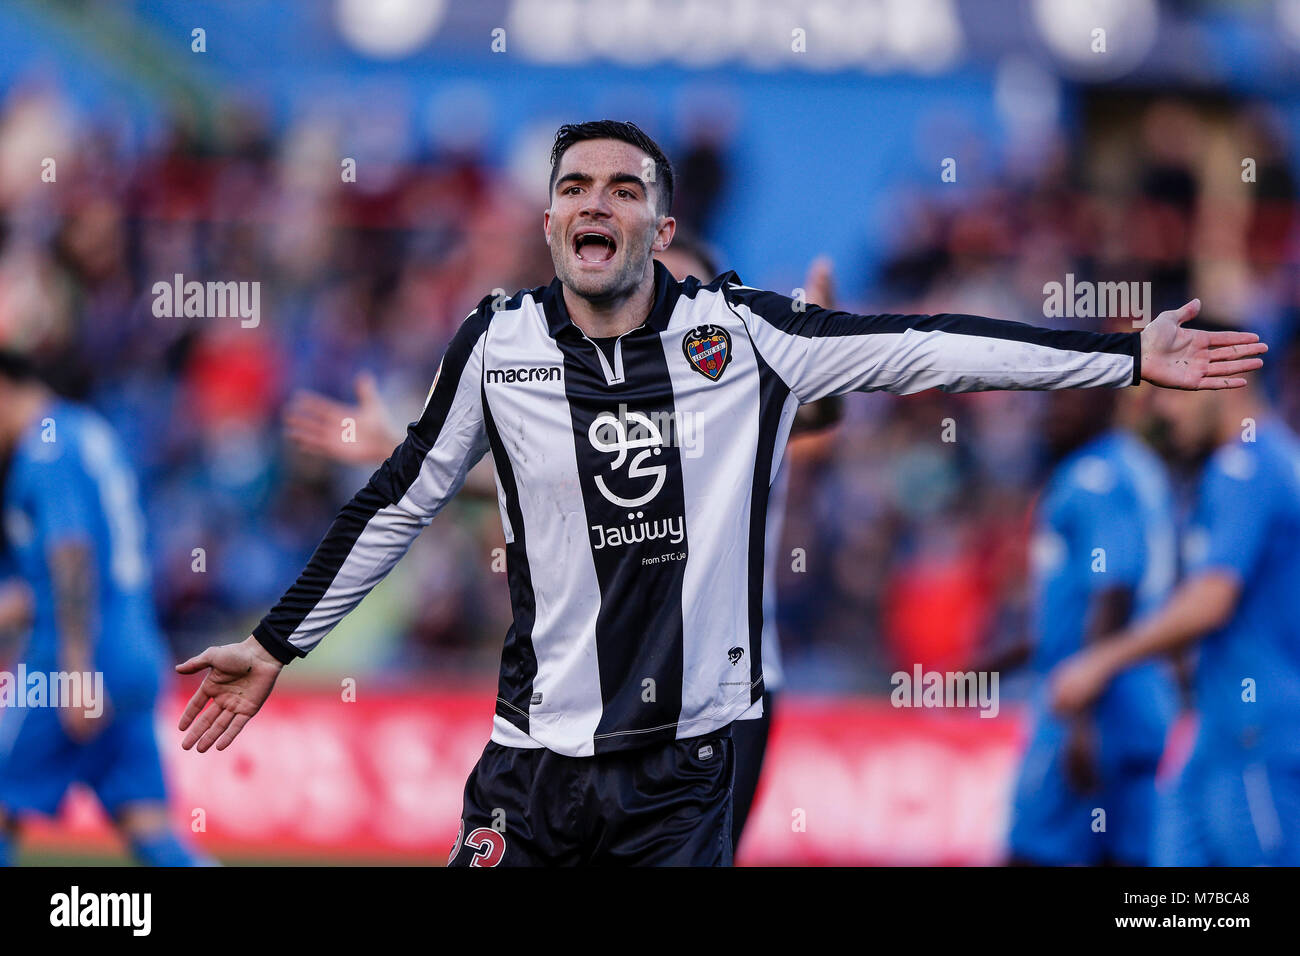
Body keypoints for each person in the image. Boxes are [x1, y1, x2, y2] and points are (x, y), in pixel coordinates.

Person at [178, 120, 1264, 866]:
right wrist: (277, 643)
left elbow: (930, 342)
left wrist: (1120, 355)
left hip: (681, 768)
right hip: (530, 759)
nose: (594, 203)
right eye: (572, 188)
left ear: (659, 227)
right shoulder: (496, 343)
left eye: (623, 188)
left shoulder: (741, 336)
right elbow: (404, 494)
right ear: (550, 223)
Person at [282, 230, 842, 855]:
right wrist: (423, 455)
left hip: (719, 698)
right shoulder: (599, 394)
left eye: (676, 286)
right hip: (589, 696)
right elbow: (522, 485)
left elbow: (816, 414)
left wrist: (821, 362)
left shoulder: (738, 379)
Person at [1051, 331, 1298, 865]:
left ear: (1230, 379)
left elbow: (1212, 600)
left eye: (1174, 388)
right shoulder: (1239, 468)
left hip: (1260, 738)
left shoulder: (1249, 467)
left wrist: (1100, 662)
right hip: (1216, 734)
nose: (1161, 406)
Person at [0, 350, 208, 866]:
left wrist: (75, 667)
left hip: (74, 656)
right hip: (133, 650)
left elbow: (71, 552)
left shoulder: (44, 448)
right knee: (147, 825)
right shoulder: (88, 433)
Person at [1006, 386, 1178, 865]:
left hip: (1082, 710)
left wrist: (1082, 716)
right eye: (1049, 399)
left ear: (1108, 400)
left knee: (1033, 852)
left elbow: (1115, 588)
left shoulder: (1092, 475)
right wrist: (990, 666)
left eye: (1068, 397)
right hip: (1140, 704)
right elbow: (1083, 605)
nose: (1052, 411)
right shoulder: (1138, 467)